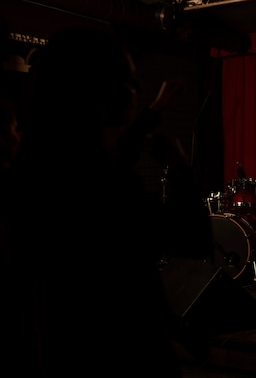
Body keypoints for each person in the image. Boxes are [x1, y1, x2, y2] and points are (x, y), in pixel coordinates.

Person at [1, 27, 208, 378]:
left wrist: (154, 112)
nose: (136, 91)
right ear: (99, 94)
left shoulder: (34, 173)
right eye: (127, 81)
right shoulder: (102, 186)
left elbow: (108, 156)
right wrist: (180, 169)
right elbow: (193, 236)